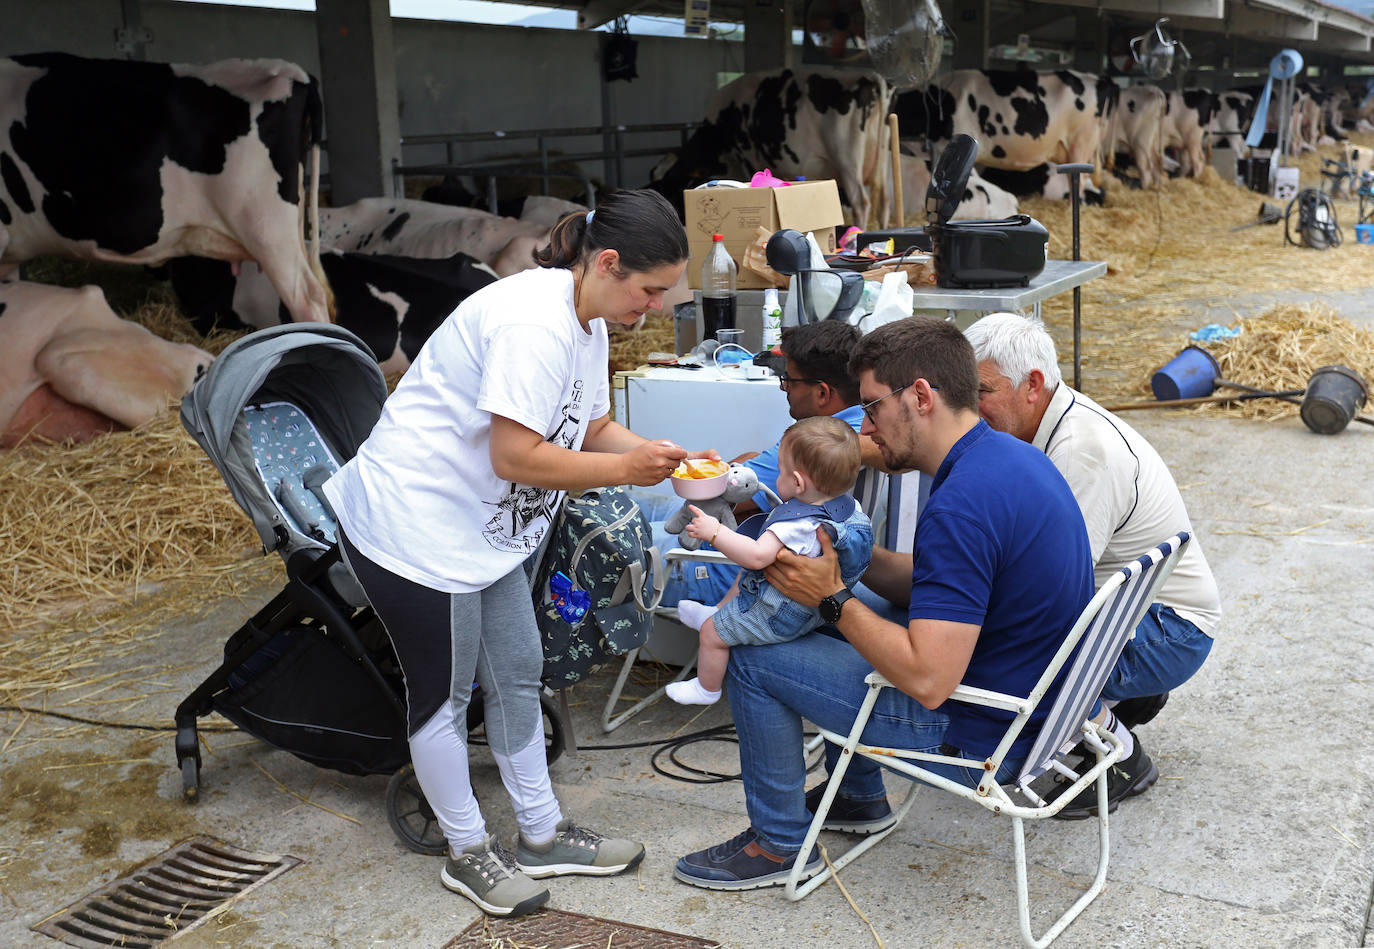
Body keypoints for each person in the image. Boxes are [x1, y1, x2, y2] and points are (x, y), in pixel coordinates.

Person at [323, 190, 711, 918]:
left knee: (518, 669)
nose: (657, 307)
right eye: (652, 290)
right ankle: (469, 851)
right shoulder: (533, 324)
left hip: (483, 530)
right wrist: (627, 472)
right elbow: (515, 455)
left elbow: (590, 425)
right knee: (443, 692)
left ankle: (541, 832)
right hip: (417, 527)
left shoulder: (589, 317)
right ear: (606, 263)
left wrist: (669, 460)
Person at [673, 316, 1095, 891]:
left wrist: (831, 597)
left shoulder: (961, 504)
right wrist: (848, 555)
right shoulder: (1007, 459)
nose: (864, 429)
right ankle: (858, 797)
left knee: (750, 655)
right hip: (1034, 696)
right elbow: (940, 584)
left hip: (981, 729)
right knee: (846, 607)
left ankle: (777, 847)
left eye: (870, 408)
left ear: (920, 396)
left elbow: (927, 678)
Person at [964, 311, 1221, 818]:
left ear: (1032, 385)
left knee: (1012, 646)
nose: (971, 408)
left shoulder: (1082, 452)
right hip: (1143, 612)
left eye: (983, 391)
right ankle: (1117, 701)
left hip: (1169, 630)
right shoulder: (1053, 426)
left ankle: (1121, 751)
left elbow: (1048, 590)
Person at [635, 319, 886, 608]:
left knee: (607, 542)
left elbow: (720, 489)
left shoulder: (818, 444)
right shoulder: (858, 429)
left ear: (822, 393)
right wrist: (747, 466)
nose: (784, 389)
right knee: (629, 507)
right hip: (733, 536)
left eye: (789, 380)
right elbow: (742, 480)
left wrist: (745, 465)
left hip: (721, 567)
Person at [664, 416, 874, 706]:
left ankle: (706, 688)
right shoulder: (849, 511)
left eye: (781, 471)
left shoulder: (793, 527)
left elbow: (756, 554)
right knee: (745, 575)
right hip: (817, 604)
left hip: (783, 614)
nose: (777, 477)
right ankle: (718, 610)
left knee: (713, 634)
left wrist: (714, 532)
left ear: (797, 482)